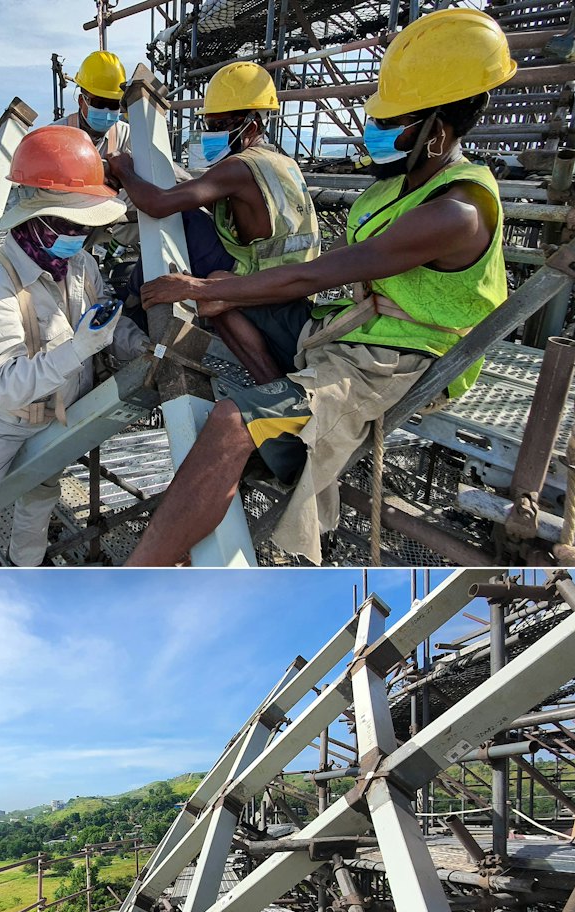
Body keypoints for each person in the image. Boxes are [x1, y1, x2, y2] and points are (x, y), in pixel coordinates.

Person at [125, 9, 515, 566]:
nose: (374, 131)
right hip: (348, 325)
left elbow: (321, 272)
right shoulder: (408, 183)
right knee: (218, 286)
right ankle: (278, 392)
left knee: (230, 422)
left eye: (394, 121)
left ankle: (144, 569)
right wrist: (214, 288)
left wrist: (196, 286)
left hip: (387, 360)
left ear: (439, 130)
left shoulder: (455, 211)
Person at [0, 126, 149, 567]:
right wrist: (78, 349)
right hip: (2, 425)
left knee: (39, 502)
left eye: (84, 226)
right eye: (70, 224)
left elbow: (104, 322)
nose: (80, 234)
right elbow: (1, 387)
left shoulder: (79, 264)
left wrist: (138, 345)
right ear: (36, 219)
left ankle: (26, 574)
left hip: (63, 415)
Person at [106, 61, 321, 375]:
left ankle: (132, 304)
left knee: (187, 223)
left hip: (262, 287)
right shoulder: (282, 163)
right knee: (210, 288)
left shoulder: (239, 167)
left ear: (251, 126)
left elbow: (158, 204)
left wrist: (122, 169)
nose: (211, 133)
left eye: (220, 125)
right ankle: (268, 379)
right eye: (209, 125)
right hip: (291, 291)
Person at [55, 50, 130, 159]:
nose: (106, 110)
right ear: (81, 101)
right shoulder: (56, 136)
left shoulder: (127, 136)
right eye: (99, 103)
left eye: (114, 104)